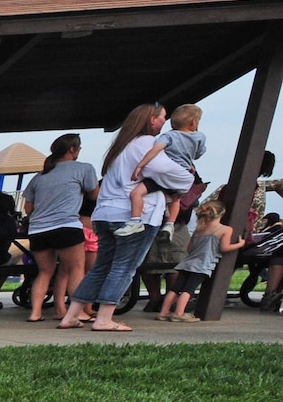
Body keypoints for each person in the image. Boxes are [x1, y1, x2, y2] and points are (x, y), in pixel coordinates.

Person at [59, 103, 192, 333]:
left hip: (105, 213)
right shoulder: (147, 143)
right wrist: (186, 178)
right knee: (124, 267)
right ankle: (104, 318)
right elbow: (164, 170)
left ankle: (71, 315)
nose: (165, 122)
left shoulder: (120, 147)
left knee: (102, 266)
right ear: (152, 121)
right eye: (162, 118)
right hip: (135, 216)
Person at [21, 133, 99, 323]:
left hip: (38, 229)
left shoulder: (39, 177)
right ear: (72, 149)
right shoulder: (83, 169)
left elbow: (28, 208)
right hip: (66, 226)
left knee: (45, 272)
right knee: (76, 269)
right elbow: (95, 195)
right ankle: (77, 312)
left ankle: (35, 313)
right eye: (78, 148)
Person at [122, 104, 205, 235]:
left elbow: (156, 150)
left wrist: (140, 165)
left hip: (164, 175)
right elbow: (198, 154)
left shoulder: (168, 136)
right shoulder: (200, 137)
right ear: (194, 121)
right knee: (176, 199)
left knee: (136, 193)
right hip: (182, 174)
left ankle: (135, 220)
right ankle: (170, 224)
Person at [159, 201, 243, 321]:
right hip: (202, 264)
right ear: (221, 214)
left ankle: (164, 312)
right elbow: (224, 248)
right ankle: (179, 313)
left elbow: (189, 248)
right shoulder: (225, 229)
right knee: (188, 290)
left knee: (175, 289)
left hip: (187, 263)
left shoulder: (199, 229)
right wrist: (240, 244)